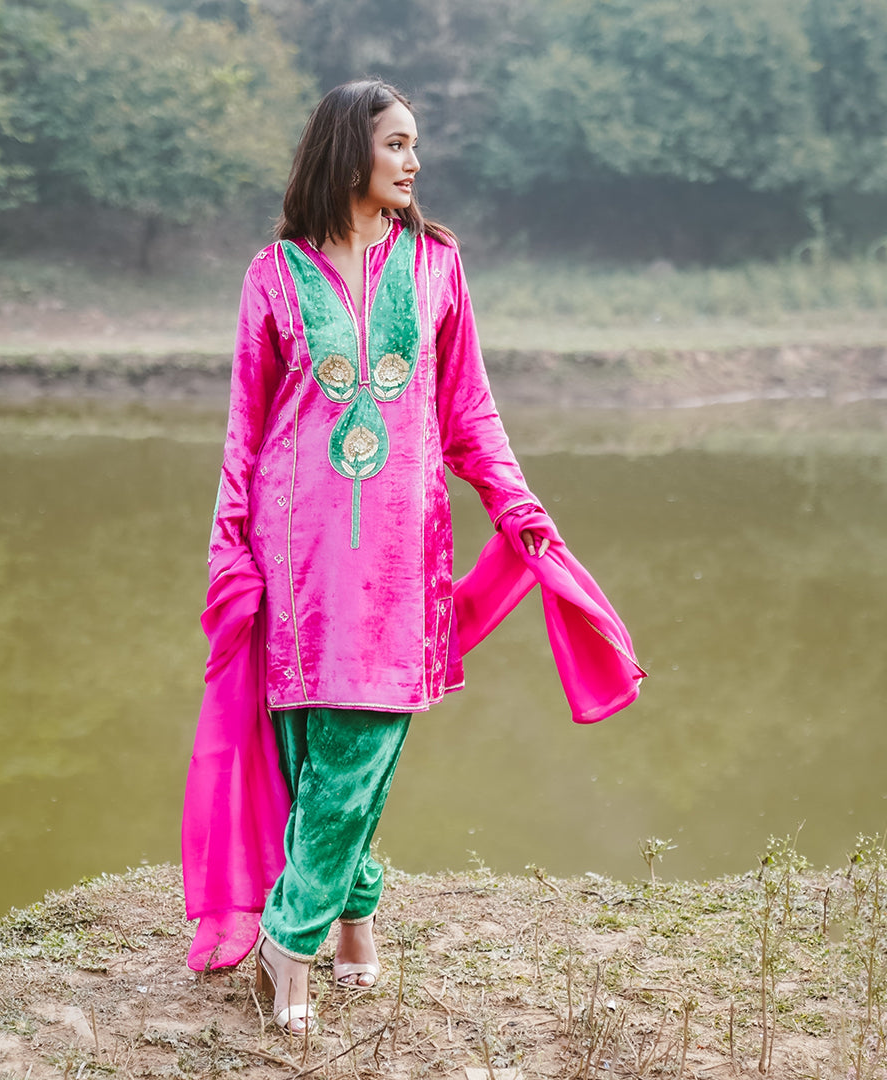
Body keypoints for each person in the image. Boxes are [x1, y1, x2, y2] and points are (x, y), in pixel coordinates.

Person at [184, 79, 642, 1036]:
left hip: (399, 555)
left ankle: (289, 937)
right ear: (349, 150)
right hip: (294, 549)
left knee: (363, 733)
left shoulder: (436, 264)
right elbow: (246, 427)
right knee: (315, 746)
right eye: (397, 143)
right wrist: (228, 548)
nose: (413, 161)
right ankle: (355, 918)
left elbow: (468, 411)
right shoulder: (273, 275)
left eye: (415, 146)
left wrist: (514, 503)